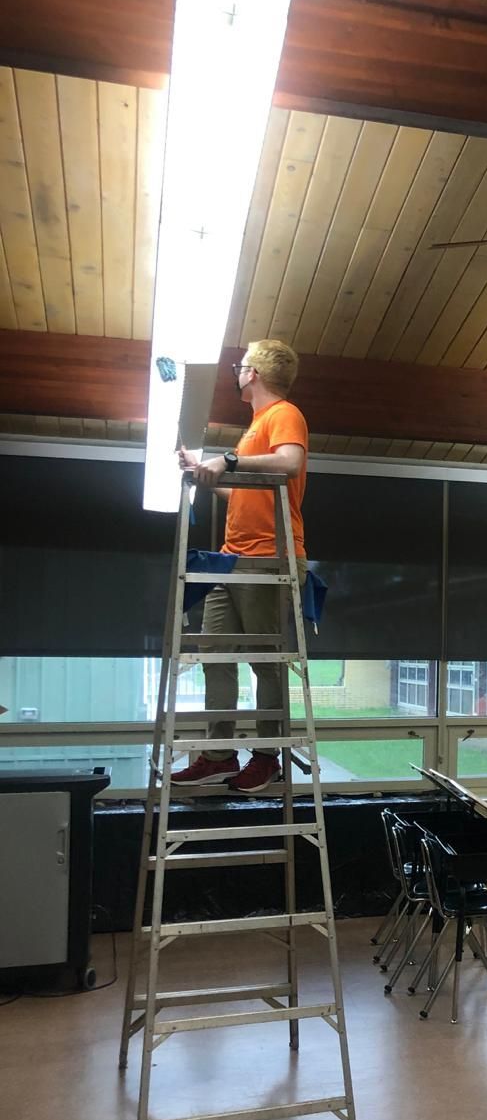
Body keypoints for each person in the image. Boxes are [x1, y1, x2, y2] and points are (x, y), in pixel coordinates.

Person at [171, 339, 308, 795]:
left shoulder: (283, 413)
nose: (237, 372)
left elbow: (289, 463)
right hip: (233, 558)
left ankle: (267, 758)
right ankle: (218, 755)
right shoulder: (254, 428)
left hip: (268, 557)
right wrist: (205, 472)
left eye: (240, 366)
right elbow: (248, 495)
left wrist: (227, 460)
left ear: (254, 374)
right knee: (216, 653)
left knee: (264, 661)